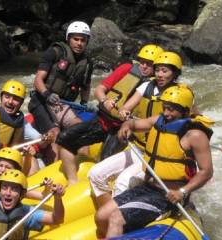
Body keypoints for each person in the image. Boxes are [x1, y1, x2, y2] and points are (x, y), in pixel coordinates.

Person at [94, 84, 214, 238]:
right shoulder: (160, 120)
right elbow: (134, 124)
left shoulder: (195, 135)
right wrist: (126, 126)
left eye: (171, 109)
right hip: (148, 187)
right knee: (101, 216)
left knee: (115, 218)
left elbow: (206, 172)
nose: (166, 112)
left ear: (185, 111)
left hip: (169, 195)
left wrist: (182, 192)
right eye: (165, 107)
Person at [88, 51, 186, 207]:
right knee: (95, 173)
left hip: (158, 154)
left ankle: (119, 216)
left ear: (175, 74)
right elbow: (127, 107)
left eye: (165, 71)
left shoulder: (181, 94)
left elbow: (193, 118)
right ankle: (110, 209)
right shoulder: (147, 85)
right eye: (158, 70)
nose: (159, 74)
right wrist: (124, 112)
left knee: (122, 182)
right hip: (138, 148)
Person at [56, 44, 164, 185]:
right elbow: (100, 89)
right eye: (142, 61)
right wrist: (105, 100)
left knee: (104, 162)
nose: (144, 66)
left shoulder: (156, 88)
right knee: (64, 139)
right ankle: (72, 181)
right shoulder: (127, 69)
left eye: (149, 64)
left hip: (122, 130)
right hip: (103, 120)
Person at [28, 21, 93, 160]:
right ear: (68, 38)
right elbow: (38, 80)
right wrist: (47, 94)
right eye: (76, 39)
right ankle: (55, 170)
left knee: (80, 128)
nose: (79, 43)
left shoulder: (87, 63)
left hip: (63, 105)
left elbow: (86, 85)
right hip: (41, 101)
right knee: (55, 132)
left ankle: (83, 164)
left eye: (83, 40)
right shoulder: (55, 52)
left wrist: (84, 102)